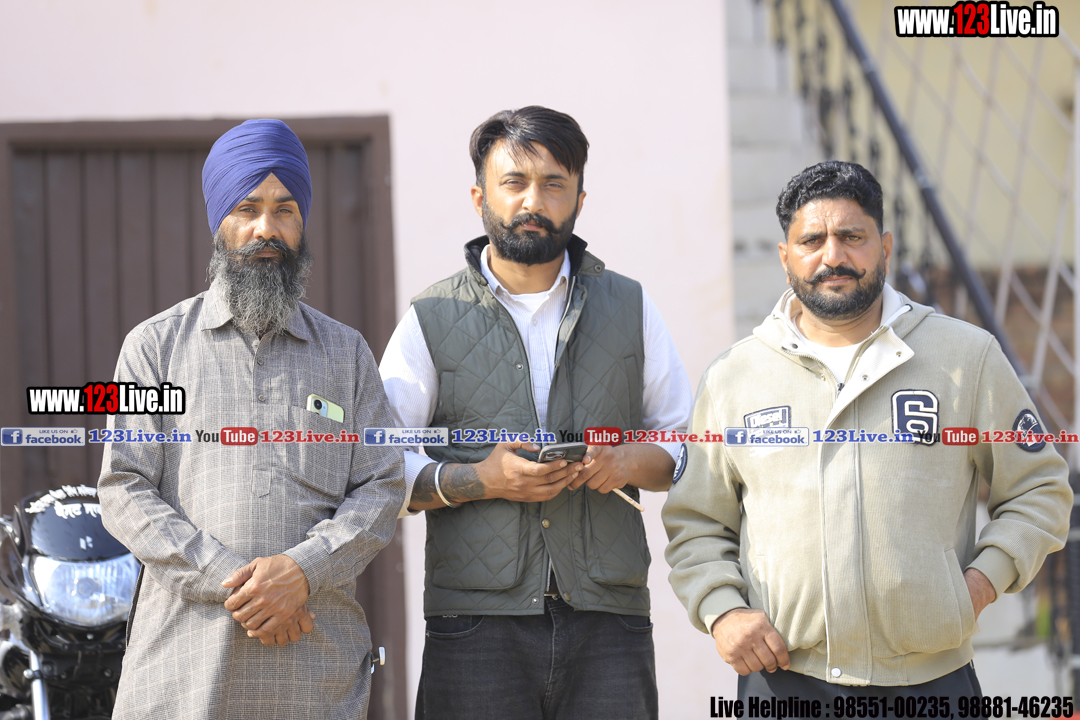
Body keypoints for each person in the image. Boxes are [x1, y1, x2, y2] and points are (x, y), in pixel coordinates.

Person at [663, 160, 1072, 700]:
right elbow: (696, 522)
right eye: (812, 241)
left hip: (931, 684)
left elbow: (1039, 490)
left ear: (885, 247)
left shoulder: (965, 357)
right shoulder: (734, 377)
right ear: (785, 258)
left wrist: (979, 584)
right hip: (782, 681)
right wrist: (723, 612)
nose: (832, 256)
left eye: (852, 237)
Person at [379, 106, 693, 719]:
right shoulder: (430, 317)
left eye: (553, 184)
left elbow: (682, 445)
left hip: (609, 621)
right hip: (475, 625)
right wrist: (479, 479)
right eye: (514, 182)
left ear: (579, 199)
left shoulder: (631, 305)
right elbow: (383, 466)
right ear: (480, 197)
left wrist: (627, 462)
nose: (533, 200)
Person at [98, 119, 405, 720]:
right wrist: (237, 582)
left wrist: (302, 572)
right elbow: (124, 487)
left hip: (313, 670)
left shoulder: (346, 353)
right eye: (247, 209)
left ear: (302, 222)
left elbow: (383, 484)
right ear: (220, 222)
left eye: (284, 210)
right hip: (184, 670)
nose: (267, 228)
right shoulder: (155, 348)